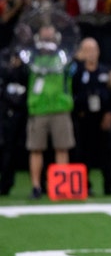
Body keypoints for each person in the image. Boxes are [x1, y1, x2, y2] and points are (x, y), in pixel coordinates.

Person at [25, 23, 76, 199]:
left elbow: (73, 71)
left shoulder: (64, 57)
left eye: (50, 31)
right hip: (38, 107)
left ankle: (61, 186)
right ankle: (36, 187)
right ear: (39, 36)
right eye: (44, 32)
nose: (47, 35)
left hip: (60, 107)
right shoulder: (31, 56)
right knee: (36, 149)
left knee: (62, 148)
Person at [70, 37, 111, 196]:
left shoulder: (105, 70)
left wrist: (110, 113)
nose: (91, 54)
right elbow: (72, 93)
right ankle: (85, 186)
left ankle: (109, 186)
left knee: (107, 153)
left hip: (103, 117)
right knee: (83, 153)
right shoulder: (76, 71)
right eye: (87, 50)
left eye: (94, 50)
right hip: (84, 118)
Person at [0, 47, 29, 196]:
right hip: (7, 116)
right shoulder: (5, 71)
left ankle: (38, 184)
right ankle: (4, 184)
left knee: (23, 150)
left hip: (23, 115)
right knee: (7, 150)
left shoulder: (26, 71)